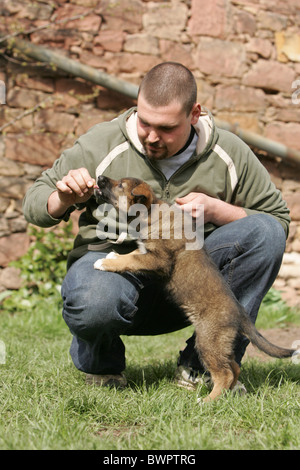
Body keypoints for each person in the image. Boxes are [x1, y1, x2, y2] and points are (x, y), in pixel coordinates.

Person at [23, 62, 290, 392]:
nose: (151, 136)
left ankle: (203, 367)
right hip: (116, 278)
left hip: (196, 286)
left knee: (265, 232)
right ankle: (103, 367)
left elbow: (277, 220)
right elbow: (33, 203)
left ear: (194, 114)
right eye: (144, 122)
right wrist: (61, 197)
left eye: (166, 128)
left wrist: (218, 210)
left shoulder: (229, 153)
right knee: (93, 302)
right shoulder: (102, 143)